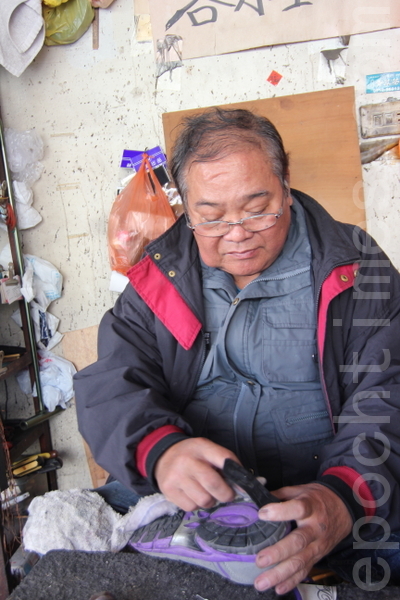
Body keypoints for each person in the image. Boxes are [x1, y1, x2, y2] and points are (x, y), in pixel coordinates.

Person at [74, 108, 400, 595]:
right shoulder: (162, 275)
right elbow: (111, 382)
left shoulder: (354, 266)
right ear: (186, 208)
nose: (237, 233)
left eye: (257, 208)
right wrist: (160, 451)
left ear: (285, 184)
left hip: (332, 497)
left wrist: (344, 494)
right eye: (211, 217)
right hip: (198, 506)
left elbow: (389, 390)